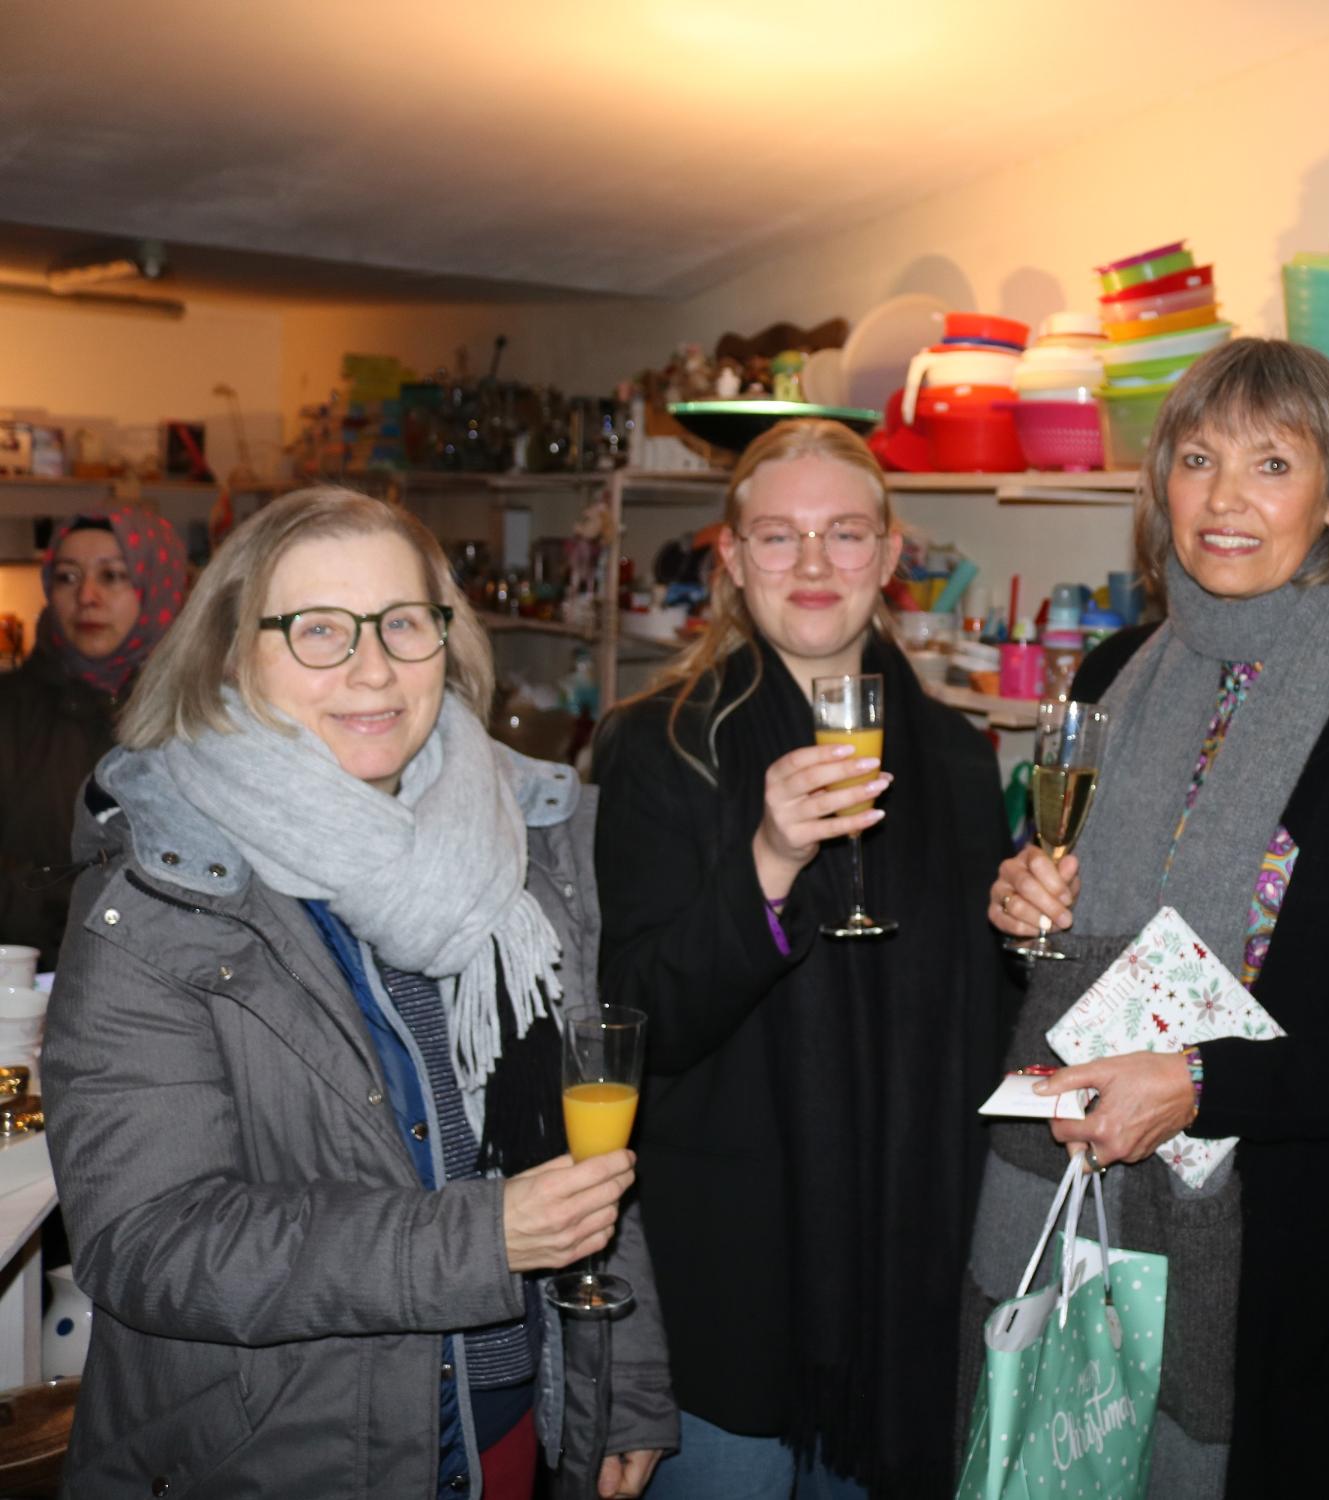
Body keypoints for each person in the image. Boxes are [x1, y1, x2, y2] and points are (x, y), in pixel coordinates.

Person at [44, 487, 675, 1498]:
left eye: (402, 624)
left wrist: (623, 1380)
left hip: (508, 1429)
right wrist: (479, 1238)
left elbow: (582, 1143)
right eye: (318, 632)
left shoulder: (523, 842)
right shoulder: (159, 889)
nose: (372, 669)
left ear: (447, 637)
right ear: (228, 652)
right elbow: (148, 1242)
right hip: (279, 1455)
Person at [981, 337, 1329, 1497]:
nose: (1224, 499)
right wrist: (1021, 913)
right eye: (1198, 458)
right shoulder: (1113, 672)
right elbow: (1055, 956)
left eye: (1271, 464)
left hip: (1287, 1246)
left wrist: (1205, 1086)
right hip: (1072, 1206)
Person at [594, 419, 1014, 1499]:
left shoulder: (964, 764)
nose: (817, 566)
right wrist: (770, 863)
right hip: (729, 1282)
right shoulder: (660, 746)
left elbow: (980, 1023)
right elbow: (641, 1018)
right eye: (779, 539)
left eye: (845, 535)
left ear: (889, 554)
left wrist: (1025, 928)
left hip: (911, 1272)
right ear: (731, 561)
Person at [0, 506, 187, 962]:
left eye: (113, 576)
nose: (87, 596)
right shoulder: (9, 708)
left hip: (166, 993)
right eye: (67, 577)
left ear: (158, 587)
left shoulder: (198, 717)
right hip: (25, 979)